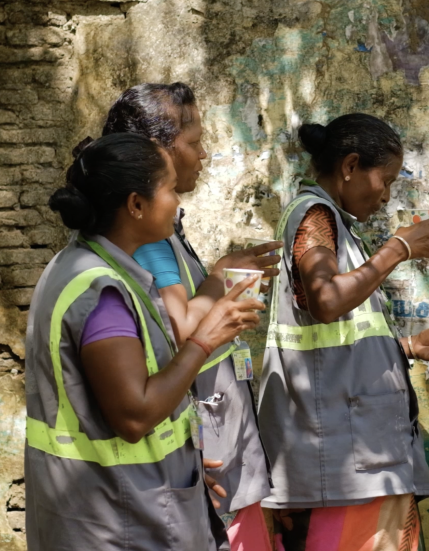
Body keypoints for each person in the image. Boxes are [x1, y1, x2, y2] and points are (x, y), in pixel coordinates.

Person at [26, 133, 264, 550]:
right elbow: (134, 415)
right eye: (170, 189)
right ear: (136, 204)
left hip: (124, 499)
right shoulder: (100, 292)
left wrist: (181, 461)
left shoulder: (89, 264)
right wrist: (205, 340)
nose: (177, 201)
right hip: (116, 520)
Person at [258, 113, 429, 550]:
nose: (386, 196)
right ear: (350, 167)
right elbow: (327, 300)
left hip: (359, 456)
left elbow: (335, 346)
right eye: (384, 180)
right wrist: (398, 249)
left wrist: (406, 347)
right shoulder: (314, 216)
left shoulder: (336, 226)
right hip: (337, 459)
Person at [102, 83, 279, 550]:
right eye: (195, 142)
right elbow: (180, 326)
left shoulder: (166, 231)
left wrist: (220, 275)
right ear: (160, 151)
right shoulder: (150, 238)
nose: (204, 154)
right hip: (204, 446)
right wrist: (221, 281)